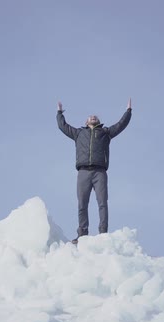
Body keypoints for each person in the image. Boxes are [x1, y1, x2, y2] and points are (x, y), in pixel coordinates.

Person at [56, 98, 133, 244]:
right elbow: (63, 126)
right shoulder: (78, 133)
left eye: (95, 117)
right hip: (83, 172)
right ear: (86, 122)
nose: (93, 116)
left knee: (102, 203)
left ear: (97, 122)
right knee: (82, 204)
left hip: (100, 172)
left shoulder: (105, 133)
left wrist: (128, 111)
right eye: (90, 116)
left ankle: (103, 233)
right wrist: (59, 112)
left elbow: (121, 125)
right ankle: (82, 234)